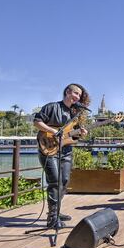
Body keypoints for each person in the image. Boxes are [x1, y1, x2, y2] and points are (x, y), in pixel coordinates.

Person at [34, 83, 90, 228]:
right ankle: (52, 219)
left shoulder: (75, 114)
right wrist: (53, 131)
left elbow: (72, 136)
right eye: (76, 93)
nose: (77, 96)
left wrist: (81, 133)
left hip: (66, 152)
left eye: (79, 95)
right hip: (48, 149)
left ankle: (56, 211)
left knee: (64, 181)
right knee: (55, 181)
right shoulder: (52, 107)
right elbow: (37, 122)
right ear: (67, 92)